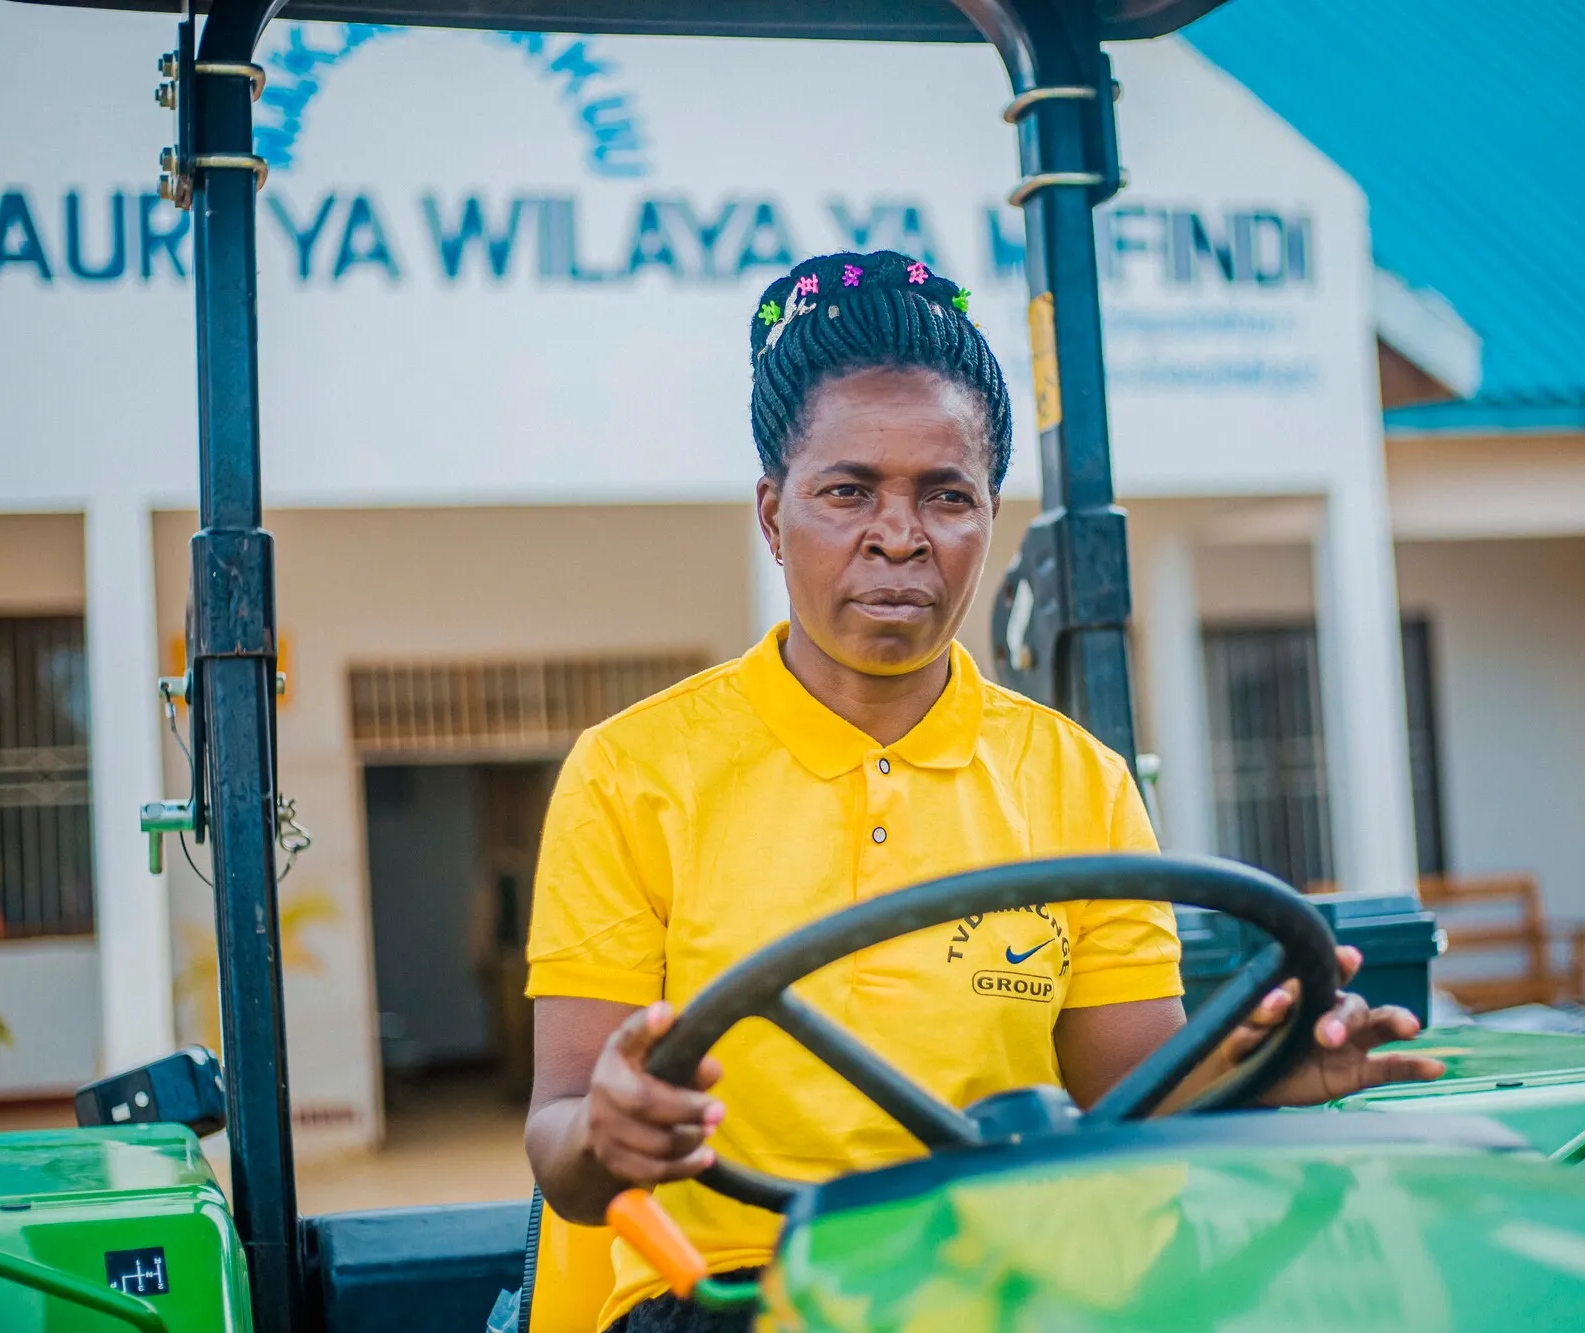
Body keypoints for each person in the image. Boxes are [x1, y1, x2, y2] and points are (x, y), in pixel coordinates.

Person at [524, 250, 1445, 1332]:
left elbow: (1123, 1093)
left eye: (944, 495)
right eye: (847, 490)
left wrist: (1253, 1074)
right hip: (742, 1290)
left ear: (987, 517)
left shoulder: (1073, 780)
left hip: (1010, 1286)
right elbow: (562, 1138)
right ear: (773, 515)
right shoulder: (634, 772)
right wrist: (609, 1130)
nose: (899, 535)